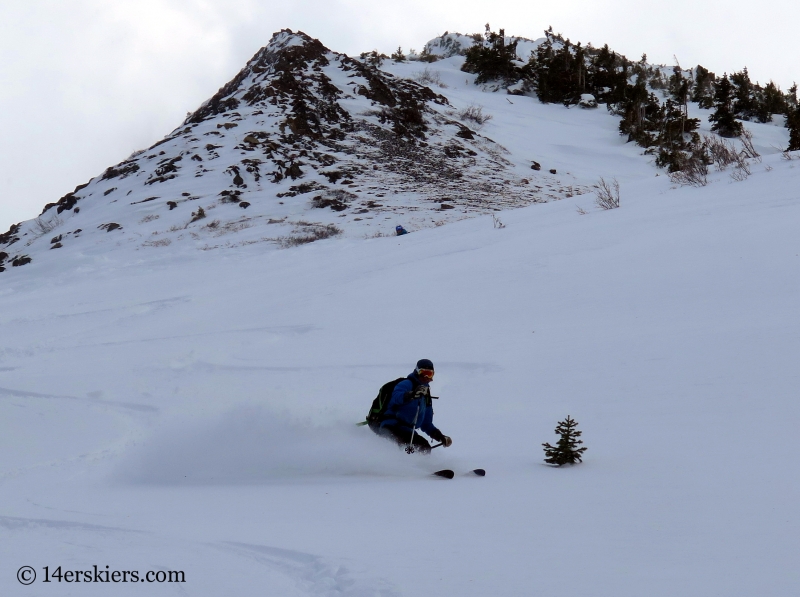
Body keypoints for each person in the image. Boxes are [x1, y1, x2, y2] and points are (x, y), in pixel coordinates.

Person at [373, 359, 452, 453]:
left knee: (424, 447)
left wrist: (440, 437)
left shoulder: (425, 396)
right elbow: (396, 397)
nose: (426, 377)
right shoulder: (407, 384)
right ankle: (394, 465)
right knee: (406, 444)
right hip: (391, 426)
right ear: (417, 371)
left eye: (430, 374)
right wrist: (412, 394)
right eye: (424, 372)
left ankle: (419, 466)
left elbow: (426, 424)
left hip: (408, 431)